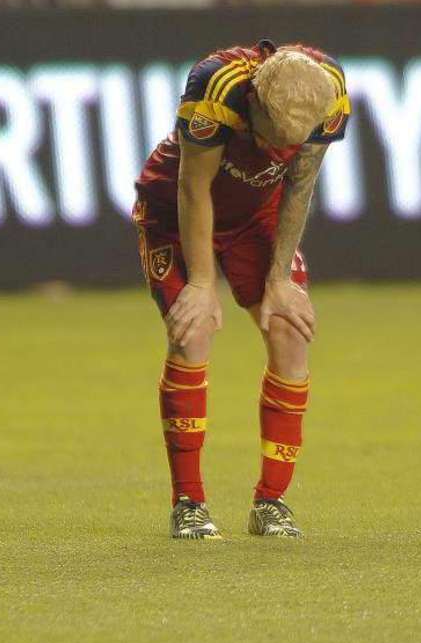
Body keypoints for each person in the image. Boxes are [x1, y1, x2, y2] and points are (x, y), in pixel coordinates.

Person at [132, 39, 351, 539]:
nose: (278, 152)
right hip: (176, 211)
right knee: (192, 333)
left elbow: (300, 183)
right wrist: (203, 282)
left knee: (289, 330)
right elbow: (193, 188)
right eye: (271, 139)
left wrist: (278, 281)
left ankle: (271, 502)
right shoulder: (216, 85)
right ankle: (188, 503)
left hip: (259, 214)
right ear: (254, 102)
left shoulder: (329, 94)